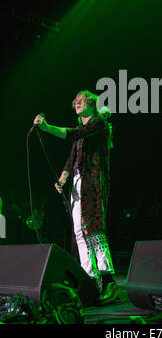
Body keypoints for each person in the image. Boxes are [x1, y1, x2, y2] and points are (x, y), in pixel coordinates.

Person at [33, 90, 118, 303]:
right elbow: (72, 158)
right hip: (79, 182)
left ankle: (108, 280)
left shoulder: (98, 124)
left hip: (93, 181)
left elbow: (71, 134)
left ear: (91, 104)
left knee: (94, 227)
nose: (77, 103)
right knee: (80, 231)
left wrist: (46, 127)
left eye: (81, 100)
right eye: (76, 101)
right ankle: (89, 278)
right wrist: (62, 179)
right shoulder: (82, 129)